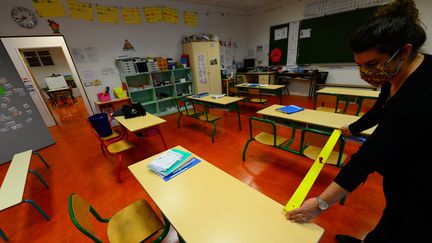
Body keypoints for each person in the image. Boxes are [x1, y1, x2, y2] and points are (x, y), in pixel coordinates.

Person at [286, 0, 431, 242]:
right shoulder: (395, 73)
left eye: (372, 64)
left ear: (404, 52)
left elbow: (369, 156)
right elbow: (380, 110)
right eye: (360, 66)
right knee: (394, 213)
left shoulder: (423, 90)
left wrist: (320, 204)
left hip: (422, 173)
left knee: (409, 219)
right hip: (402, 166)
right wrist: (351, 128)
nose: (365, 73)